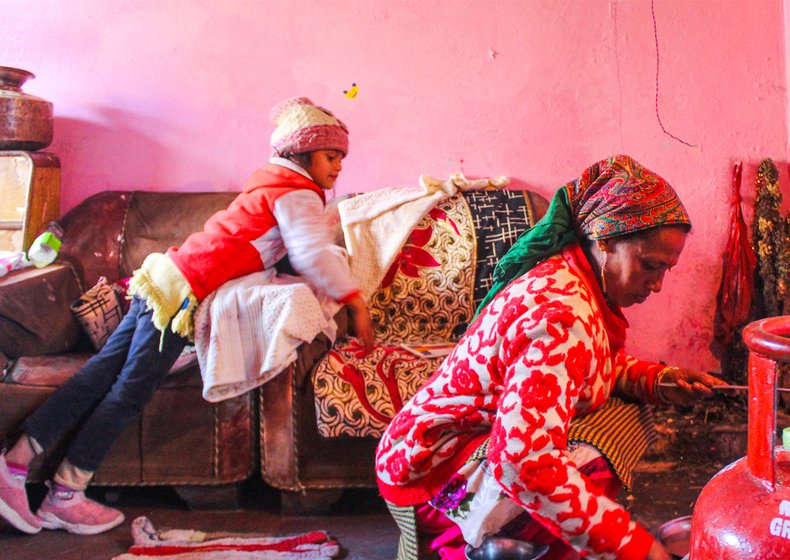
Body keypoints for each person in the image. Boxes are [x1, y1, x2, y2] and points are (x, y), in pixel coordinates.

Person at [0, 96, 374, 536]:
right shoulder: (297, 193)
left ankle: (15, 464)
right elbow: (311, 253)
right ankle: (65, 494)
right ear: (300, 154)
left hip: (161, 279)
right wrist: (355, 300)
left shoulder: (267, 185)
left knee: (101, 372)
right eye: (332, 156)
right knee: (128, 392)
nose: (339, 168)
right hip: (180, 299)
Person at [375, 154, 725, 560]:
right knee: (584, 466)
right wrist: (634, 547)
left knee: (623, 413)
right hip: (428, 465)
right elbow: (522, 461)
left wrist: (655, 381)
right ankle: (468, 540)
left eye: (667, 270)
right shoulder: (562, 312)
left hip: (452, 442)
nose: (659, 285)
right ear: (606, 239)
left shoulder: (575, 278)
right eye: (650, 266)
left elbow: (587, 366)